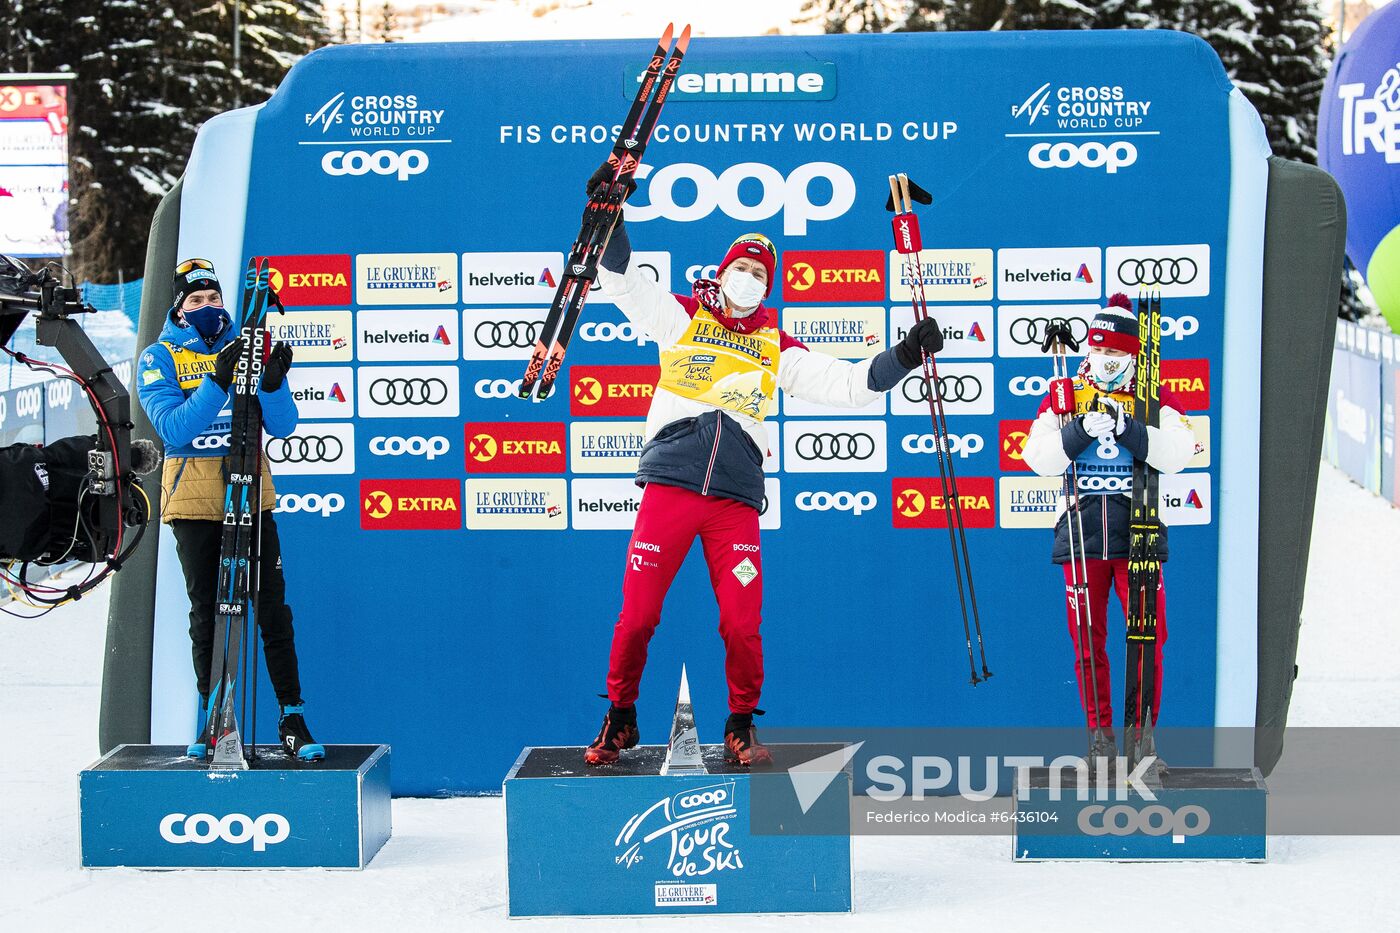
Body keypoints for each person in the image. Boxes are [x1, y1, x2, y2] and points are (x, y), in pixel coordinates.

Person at [581, 164, 946, 767]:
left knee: (742, 625)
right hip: (670, 489)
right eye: (740, 268)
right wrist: (610, 213)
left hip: (733, 501)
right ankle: (620, 716)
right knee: (639, 614)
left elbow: (852, 385)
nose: (748, 279)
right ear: (721, 273)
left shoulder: (776, 345)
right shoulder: (679, 318)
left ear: (767, 285)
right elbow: (620, 279)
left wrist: (908, 353)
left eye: (759, 274)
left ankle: (741, 722)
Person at [136, 259, 323, 761]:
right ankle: (214, 719)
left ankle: (292, 715)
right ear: (178, 307)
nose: (207, 307)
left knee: (271, 608)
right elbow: (174, 431)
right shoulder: (159, 356)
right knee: (210, 612)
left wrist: (274, 383)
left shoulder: (246, 347)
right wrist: (217, 382)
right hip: (194, 500)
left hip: (249, 491)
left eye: (213, 299)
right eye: (195, 300)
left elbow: (283, 427)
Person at [1021, 293, 1196, 763]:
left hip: (1136, 533)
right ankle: (1100, 740)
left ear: (1134, 356)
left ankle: (1143, 741)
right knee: (1086, 640)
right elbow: (1037, 458)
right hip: (1081, 536)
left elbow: (1179, 454)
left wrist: (1128, 428)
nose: (1104, 362)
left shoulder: (1152, 397)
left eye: (1115, 354)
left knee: (1147, 640)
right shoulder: (1067, 396)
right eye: (1097, 353)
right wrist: (1077, 430)